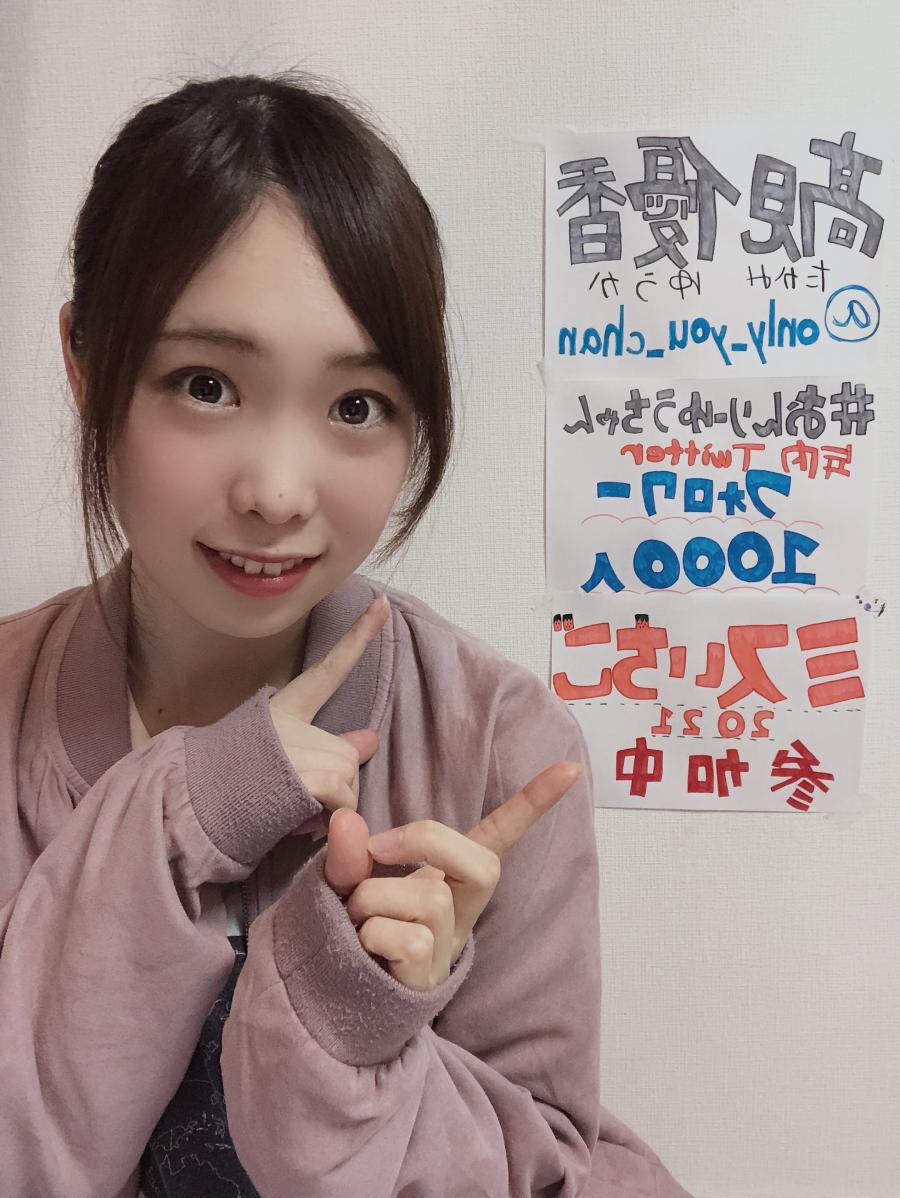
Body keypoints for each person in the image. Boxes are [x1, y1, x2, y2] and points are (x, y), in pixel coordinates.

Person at [0, 70, 693, 1198]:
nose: (278, 493)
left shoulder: (496, 743)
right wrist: (188, 811)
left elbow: (555, 1169)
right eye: (205, 384)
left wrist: (352, 1024)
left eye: (356, 406)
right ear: (87, 361)